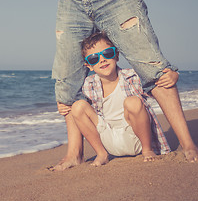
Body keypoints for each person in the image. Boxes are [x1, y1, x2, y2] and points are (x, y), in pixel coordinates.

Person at [44, 0, 198, 170]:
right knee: (67, 81)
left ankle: (188, 144)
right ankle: (74, 153)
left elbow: (156, 75)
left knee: (153, 68)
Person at [71, 32, 173, 166]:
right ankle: (101, 154)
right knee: (77, 106)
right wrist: (63, 104)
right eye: (94, 58)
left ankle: (147, 150)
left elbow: (157, 88)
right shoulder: (88, 84)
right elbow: (83, 113)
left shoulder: (132, 77)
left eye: (107, 53)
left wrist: (173, 74)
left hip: (136, 137)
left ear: (116, 55)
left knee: (133, 102)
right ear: (89, 66)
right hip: (109, 140)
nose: (102, 60)